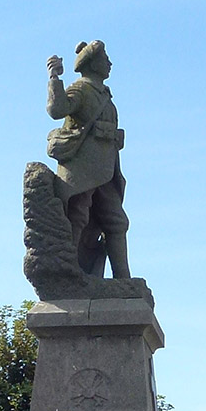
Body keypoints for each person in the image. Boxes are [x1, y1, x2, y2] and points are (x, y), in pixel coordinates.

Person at [45, 40, 130, 278]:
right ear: (93, 64)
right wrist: (54, 78)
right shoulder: (82, 89)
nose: (110, 63)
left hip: (106, 169)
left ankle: (123, 278)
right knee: (77, 216)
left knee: (116, 221)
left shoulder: (104, 94)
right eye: (105, 59)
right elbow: (56, 109)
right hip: (82, 168)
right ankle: (69, 273)